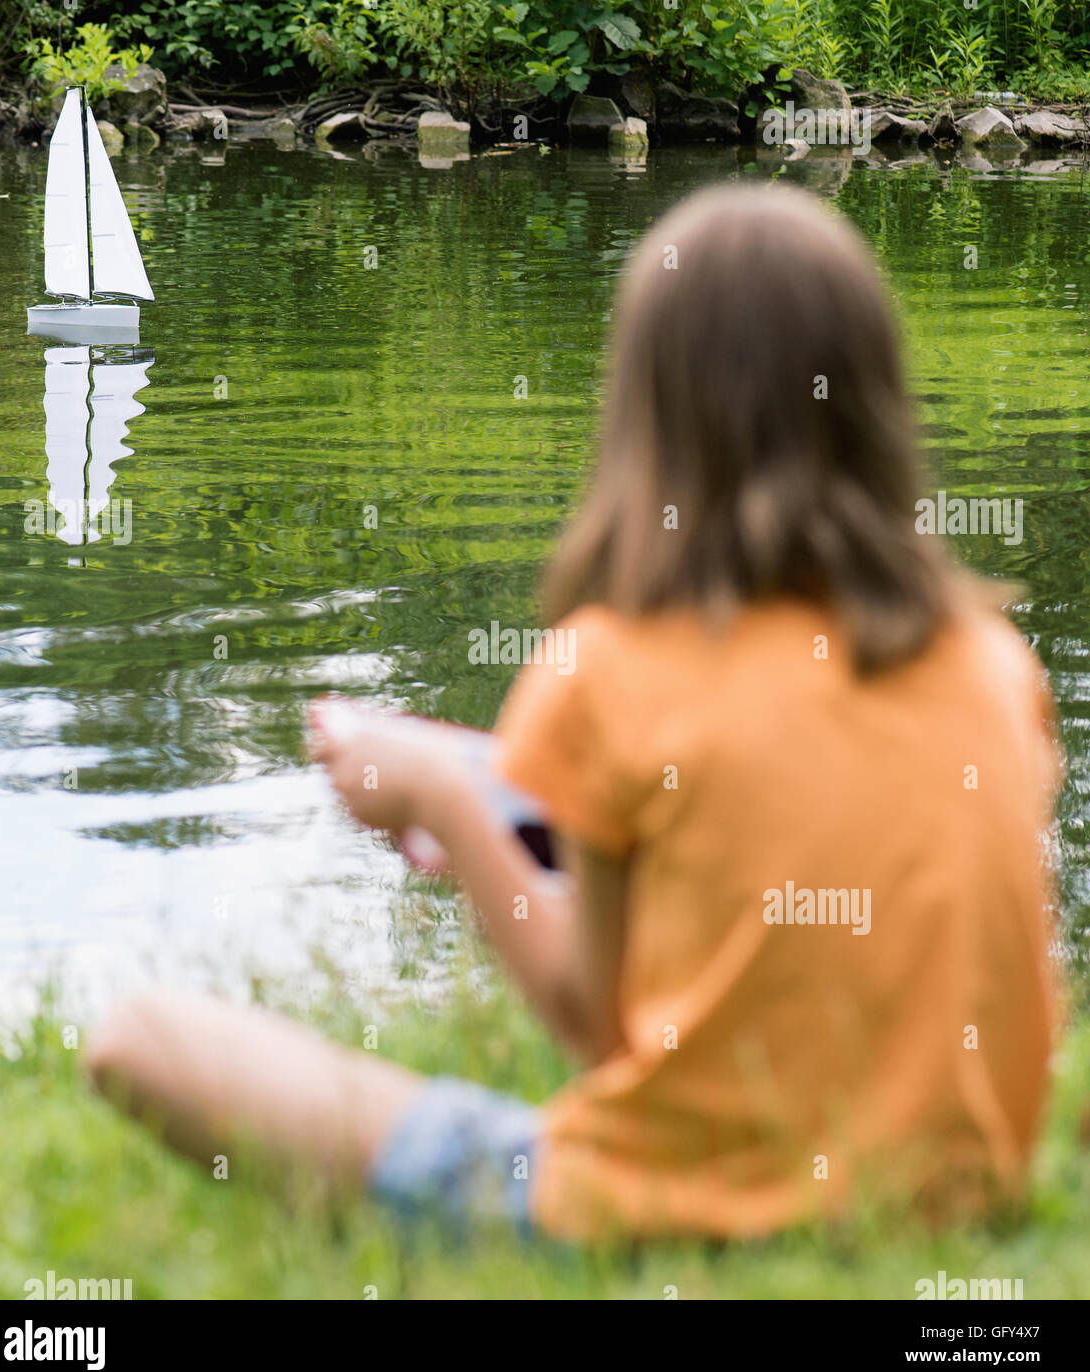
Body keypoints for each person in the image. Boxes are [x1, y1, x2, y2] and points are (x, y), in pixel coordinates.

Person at [86, 183, 1062, 1243]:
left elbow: (596, 1021)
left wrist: (446, 807)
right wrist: (509, 780)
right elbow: (768, 832)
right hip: (948, 1205)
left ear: (646, 416)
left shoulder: (603, 671)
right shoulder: (990, 669)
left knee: (139, 1037)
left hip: (657, 1211)